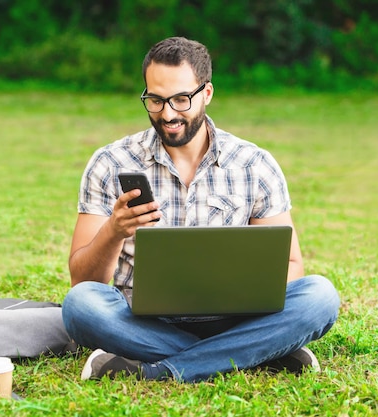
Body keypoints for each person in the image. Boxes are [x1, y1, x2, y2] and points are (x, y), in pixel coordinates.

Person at [61, 37, 340, 383]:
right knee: (80, 306)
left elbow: (291, 265)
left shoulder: (254, 163)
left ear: (206, 94)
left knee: (320, 296)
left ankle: (162, 371)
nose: (168, 114)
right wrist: (114, 231)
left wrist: (246, 290)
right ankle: (254, 353)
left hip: (238, 317)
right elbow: (83, 281)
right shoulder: (110, 162)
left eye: (181, 99)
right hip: (140, 319)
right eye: (155, 100)